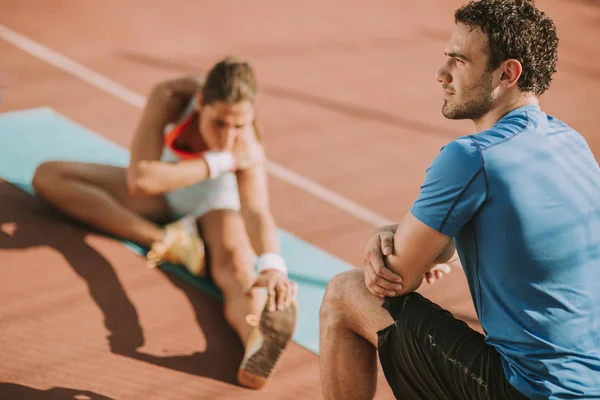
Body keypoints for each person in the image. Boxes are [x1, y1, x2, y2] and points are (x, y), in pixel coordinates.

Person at [319, 0, 600, 399]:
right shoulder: (571, 143)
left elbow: (395, 279)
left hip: (526, 390)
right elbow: (523, 232)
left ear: (507, 73)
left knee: (345, 294)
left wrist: (387, 236)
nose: (441, 74)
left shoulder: (472, 156)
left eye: (459, 61)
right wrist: (442, 249)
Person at [32, 57, 298, 390]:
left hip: (216, 206)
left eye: (240, 126)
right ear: (200, 103)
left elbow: (256, 210)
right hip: (164, 193)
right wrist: (222, 160)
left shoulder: (249, 143)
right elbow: (140, 179)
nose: (229, 137)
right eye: (219, 124)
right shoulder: (170, 96)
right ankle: (168, 241)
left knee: (237, 269)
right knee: (49, 176)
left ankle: (257, 342)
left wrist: (273, 265)